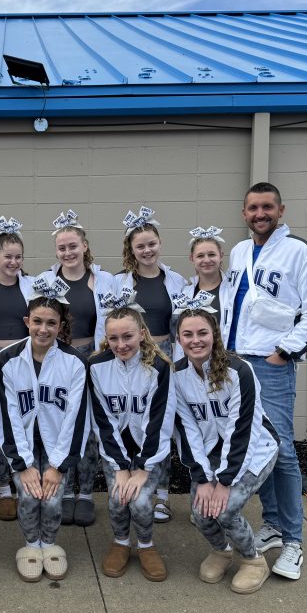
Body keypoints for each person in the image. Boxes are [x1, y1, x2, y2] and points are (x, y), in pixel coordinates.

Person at [224, 181, 307, 581]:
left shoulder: (300, 251)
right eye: (253, 208)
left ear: (281, 210)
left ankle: (294, 541)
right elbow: (230, 305)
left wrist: (286, 351)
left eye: (267, 207)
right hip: (237, 363)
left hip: (270, 362)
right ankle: (271, 522)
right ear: (244, 212)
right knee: (256, 448)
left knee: (282, 449)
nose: (260, 214)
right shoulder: (238, 252)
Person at [172, 294, 279, 594]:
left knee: (225, 510)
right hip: (210, 453)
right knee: (200, 509)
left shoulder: (239, 371)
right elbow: (186, 430)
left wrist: (224, 481)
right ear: (178, 339)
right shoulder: (177, 375)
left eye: (202, 333)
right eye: (188, 334)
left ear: (214, 334)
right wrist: (203, 478)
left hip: (255, 448)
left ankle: (253, 559)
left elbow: (242, 430)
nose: (196, 340)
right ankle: (222, 550)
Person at [0, 276, 88, 582]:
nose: (43, 329)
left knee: (51, 495)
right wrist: (22, 465)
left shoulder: (74, 362)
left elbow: (76, 417)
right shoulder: (7, 360)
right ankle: (30, 544)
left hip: (56, 443)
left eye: (51, 322)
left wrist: (57, 465)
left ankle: (49, 542)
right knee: (26, 492)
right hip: (22, 440)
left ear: (61, 325)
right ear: (26, 321)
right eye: (37, 321)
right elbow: (6, 415)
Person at [90, 291, 175, 582]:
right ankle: (121, 542)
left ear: (141, 333)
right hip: (115, 450)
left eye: (127, 337)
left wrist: (141, 468)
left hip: (149, 450)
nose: (120, 345)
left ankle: (147, 546)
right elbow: (102, 420)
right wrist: (120, 467)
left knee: (139, 502)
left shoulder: (158, 367)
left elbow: (159, 420)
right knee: (117, 498)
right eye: (113, 339)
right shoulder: (97, 367)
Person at [41, 209, 118, 528]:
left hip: (94, 356)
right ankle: (62, 486)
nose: (68, 252)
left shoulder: (105, 280)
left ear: (85, 246)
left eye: (73, 246)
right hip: (60, 358)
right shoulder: (45, 281)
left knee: (88, 429)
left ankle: (85, 493)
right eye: (62, 248)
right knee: (61, 423)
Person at [115, 205, 188, 525]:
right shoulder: (120, 283)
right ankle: (134, 486)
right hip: (133, 356)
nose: (147, 250)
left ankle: (162, 495)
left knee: (163, 427)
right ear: (131, 250)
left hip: (166, 356)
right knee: (135, 423)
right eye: (140, 246)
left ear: (159, 244)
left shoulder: (176, 281)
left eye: (151, 244)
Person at [0, 215, 35, 522]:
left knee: (23, 419)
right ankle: (3, 490)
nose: (13, 262)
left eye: (18, 257)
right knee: (0, 421)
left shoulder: (32, 285)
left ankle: (24, 477)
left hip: (24, 358)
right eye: (7, 256)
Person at [180, 226, 233, 347]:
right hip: (195, 359)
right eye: (200, 256)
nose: (206, 260)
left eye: (212, 254)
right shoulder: (185, 293)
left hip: (227, 358)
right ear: (191, 259)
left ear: (221, 256)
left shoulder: (233, 290)